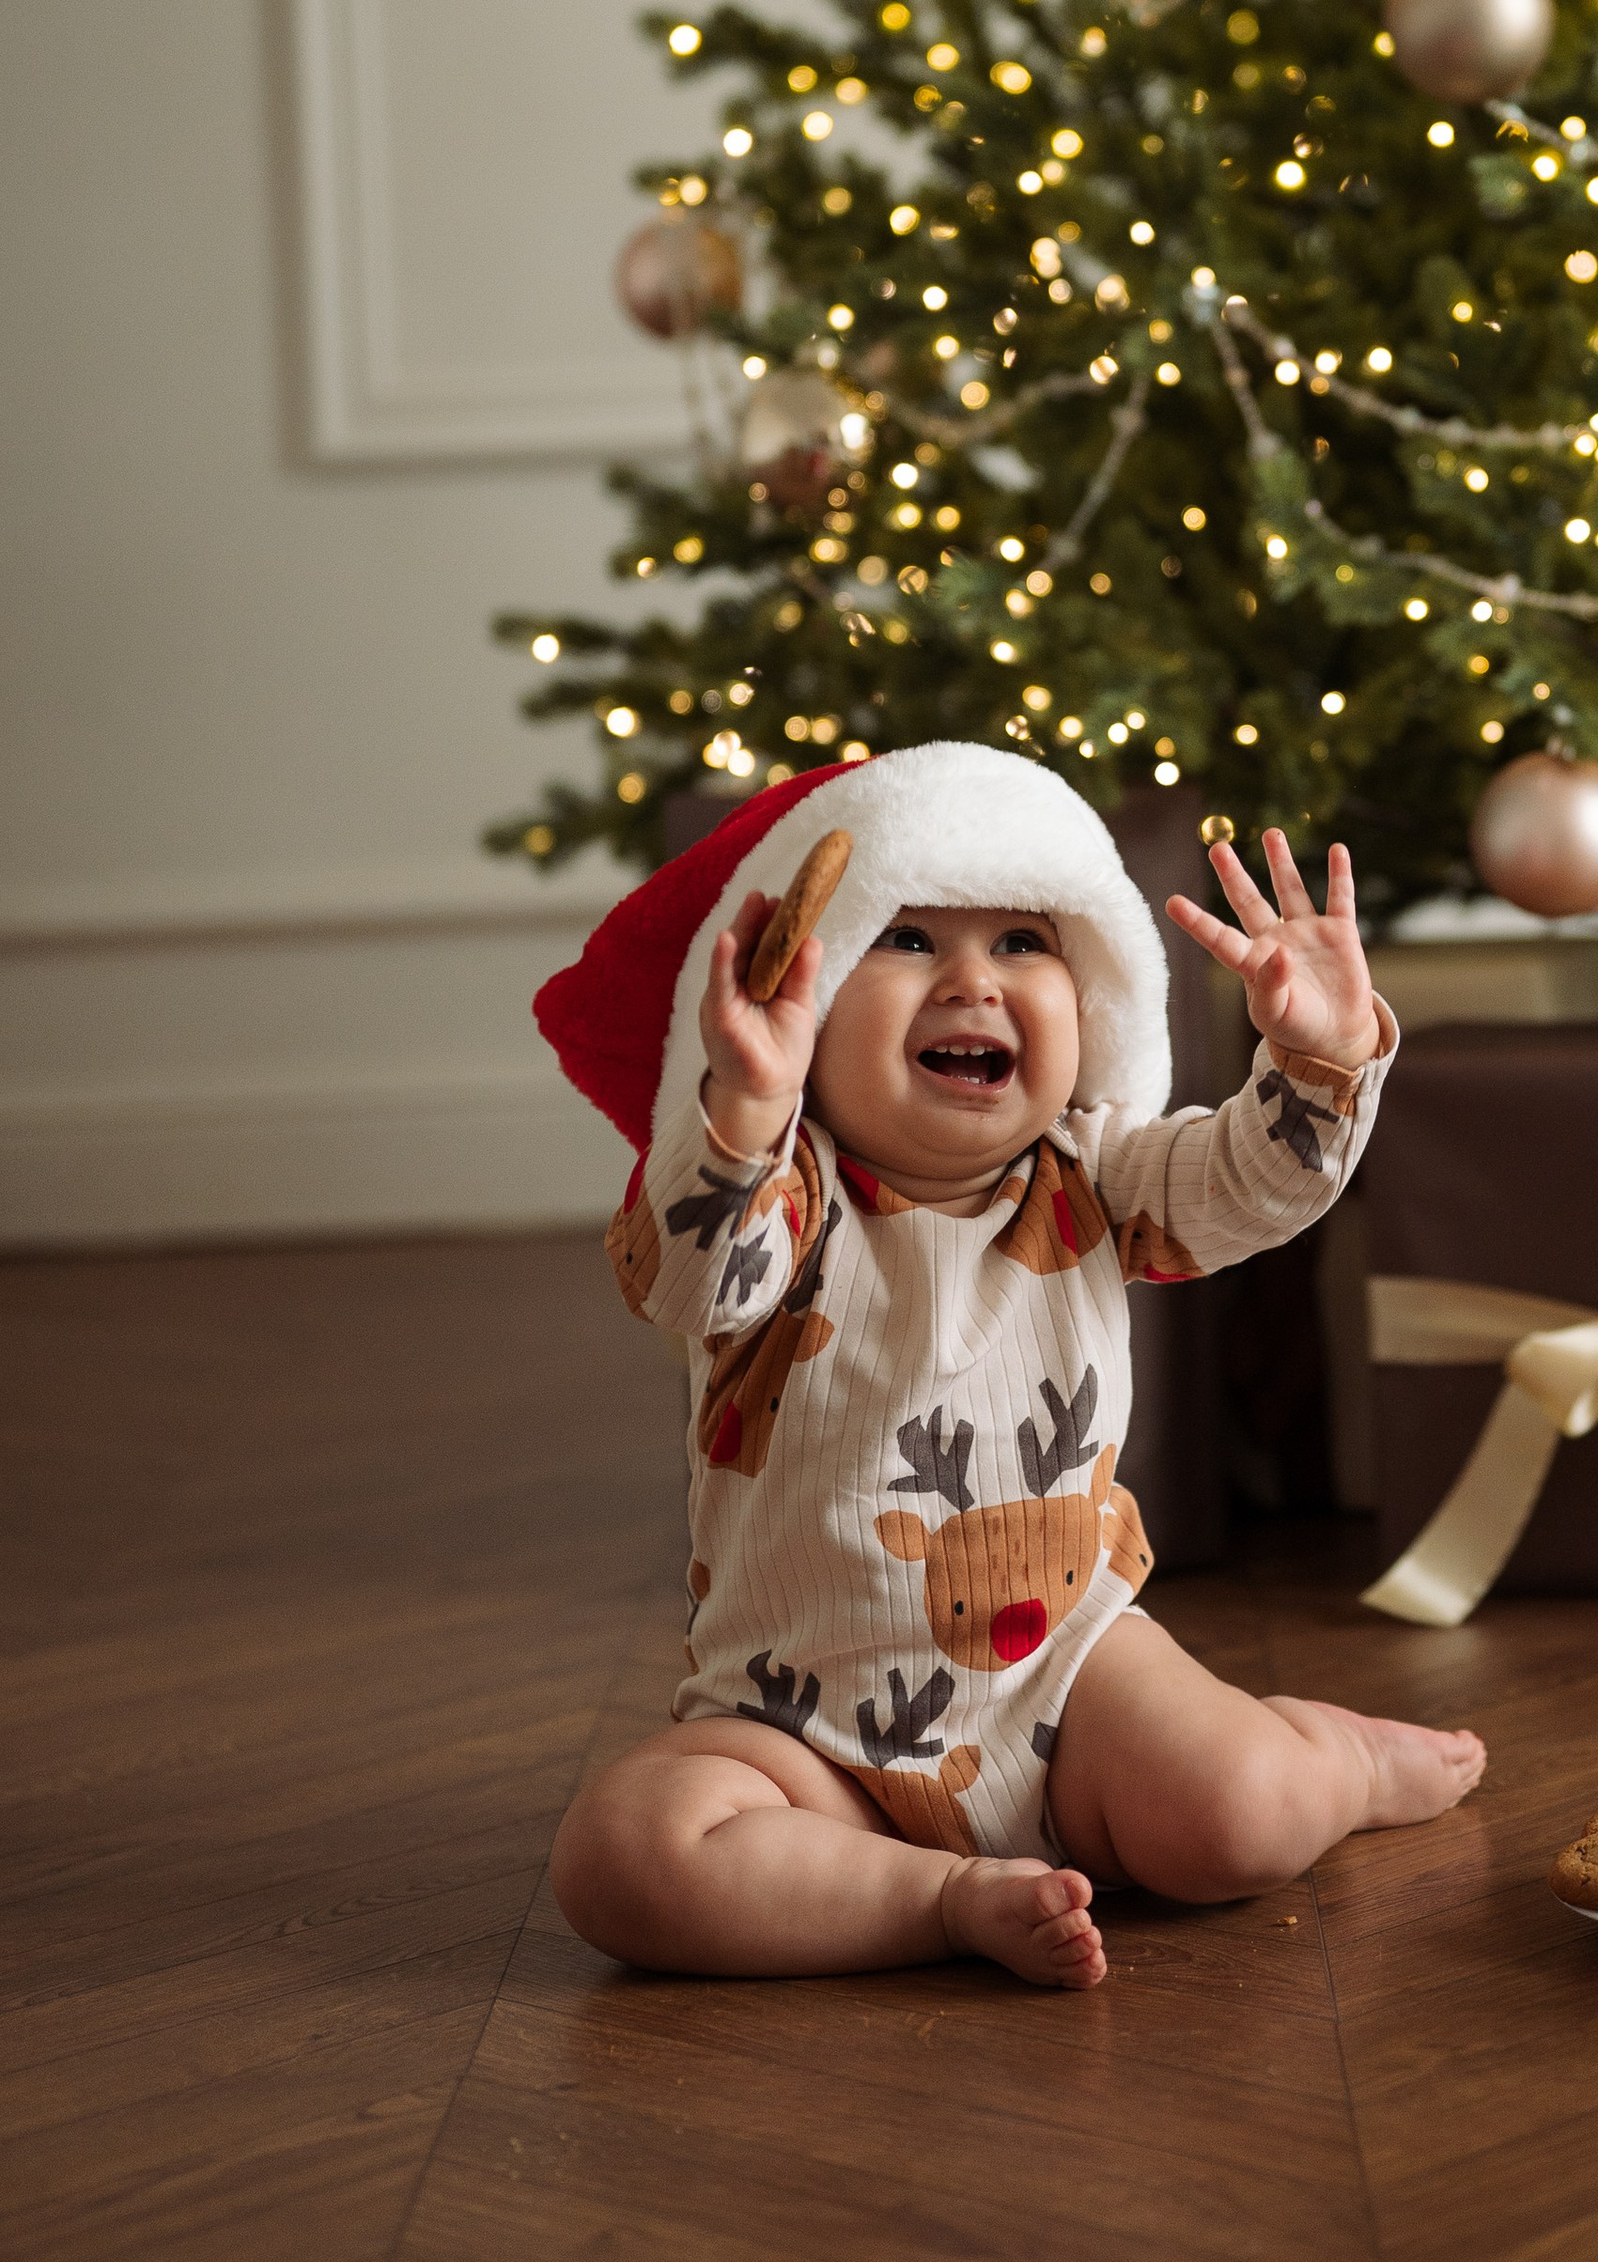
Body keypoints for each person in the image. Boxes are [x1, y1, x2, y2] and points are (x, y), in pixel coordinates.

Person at [533, 744, 1483, 1989]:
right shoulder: (782, 1201)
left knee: (1241, 1812)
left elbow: (1253, 1186)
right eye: (909, 938)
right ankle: (936, 1897)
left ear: (1090, 1002)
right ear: (804, 993)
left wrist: (1323, 1053)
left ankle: (1334, 1759)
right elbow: (690, 1277)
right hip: (794, 1729)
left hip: (1067, 1686)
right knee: (624, 1851)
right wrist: (741, 1111)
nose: (973, 980)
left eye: (1023, 940)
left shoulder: (1099, 1173)